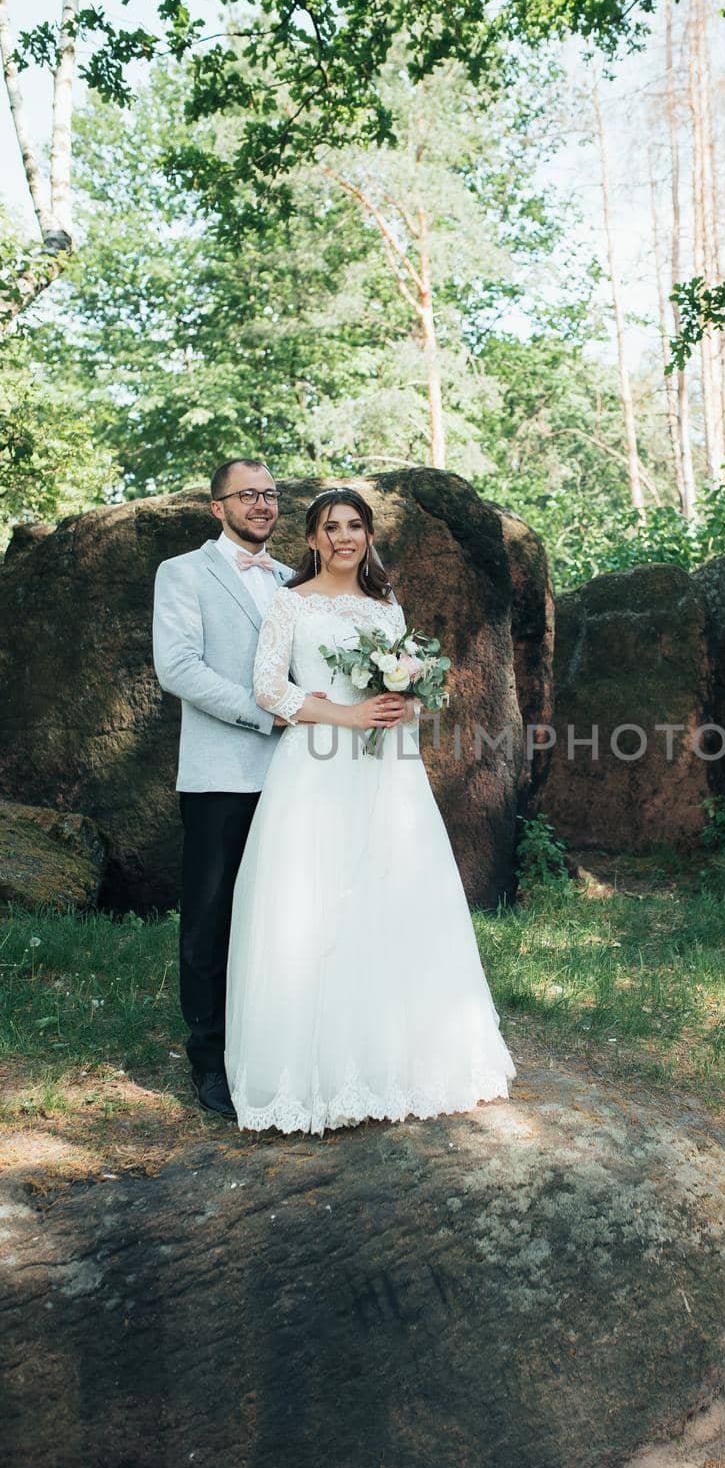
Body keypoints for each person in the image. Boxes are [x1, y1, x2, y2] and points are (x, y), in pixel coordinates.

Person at [224, 486, 518, 1135]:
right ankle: (315, 1074)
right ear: (310, 539)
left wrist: (405, 705)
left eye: (354, 526)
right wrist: (347, 714)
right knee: (315, 903)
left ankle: (401, 1060)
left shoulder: (387, 609)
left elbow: (410, 691)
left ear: (368, 536)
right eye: (330, 527)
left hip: (387, 771)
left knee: (392, 897)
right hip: (316, 766)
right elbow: (270, 689)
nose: (343, 538)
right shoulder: (288, 605)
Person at [152, 458, 323, 1122]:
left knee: (282, 917)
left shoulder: (293, 581)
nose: (262, 505)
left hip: (294, 777)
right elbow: (179, 668)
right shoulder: (183, 574)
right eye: (247, 495)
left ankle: (272, 1049)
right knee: (210, 919)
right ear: (216, 506)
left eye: (271, 495)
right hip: (221, 774)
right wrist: (267, 710)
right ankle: (211, 1062)